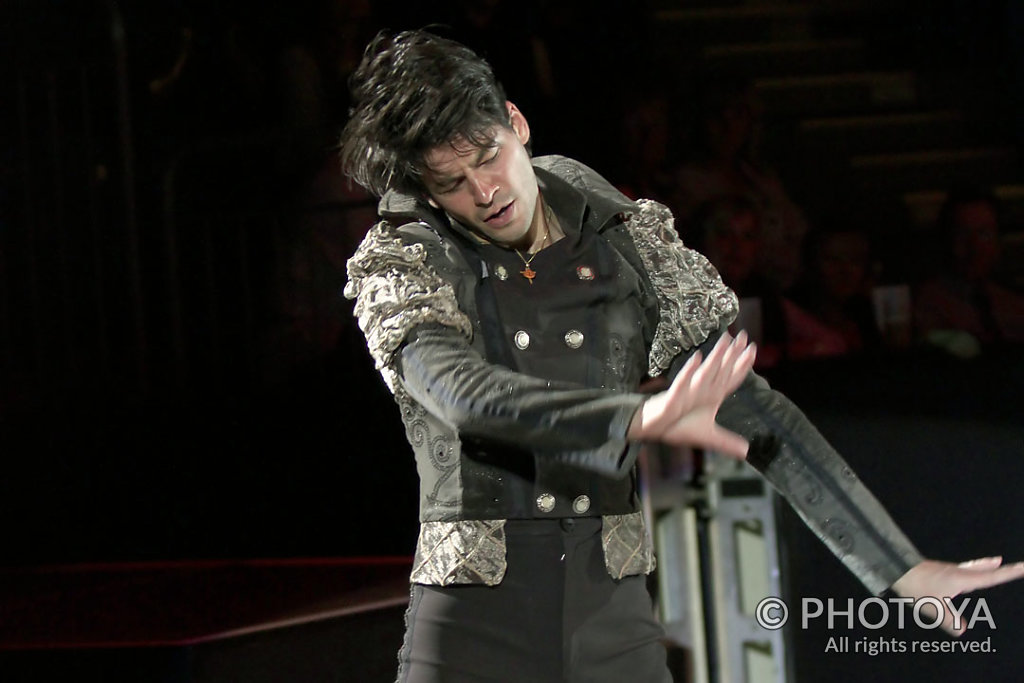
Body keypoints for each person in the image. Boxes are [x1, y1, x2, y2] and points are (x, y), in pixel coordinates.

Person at [339, 30, 1024, 682]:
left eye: (487, 155)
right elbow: (464, 396)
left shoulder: (622, 235)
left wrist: (901, 566)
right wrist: (641, 417)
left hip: (611, 617)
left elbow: (754, 409)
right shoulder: (405, 257)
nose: (484, 192)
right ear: (427, 190)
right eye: (453, 181)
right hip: (474, 624)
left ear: (516, 123)